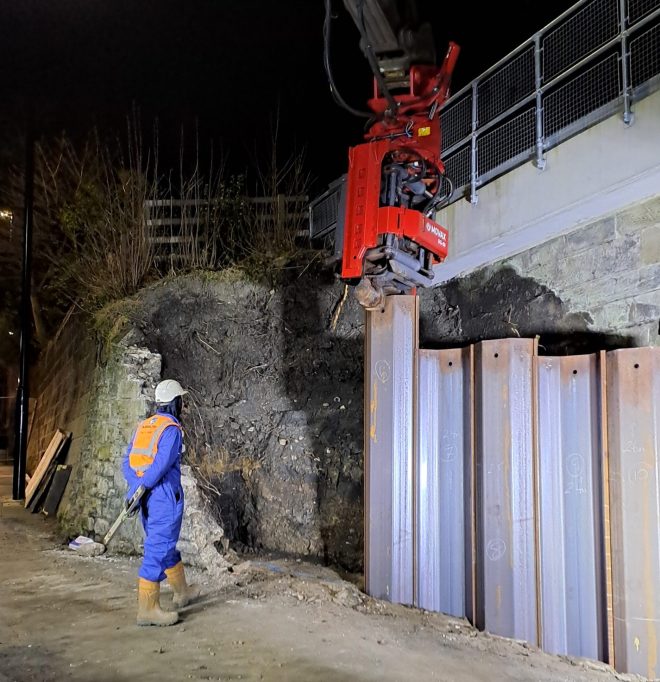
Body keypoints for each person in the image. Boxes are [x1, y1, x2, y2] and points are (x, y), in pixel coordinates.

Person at [122, 378, 200, 626]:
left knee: (164, 545)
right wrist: (147, 483)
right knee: (159, 548)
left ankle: (182, 592)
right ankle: (148, 608)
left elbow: (128, 461)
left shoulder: (144, 427)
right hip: (163, 495)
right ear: (176, 402)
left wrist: (137, 485)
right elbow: (162, 464)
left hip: (144, 495)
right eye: (181, 400)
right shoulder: (171, 430)